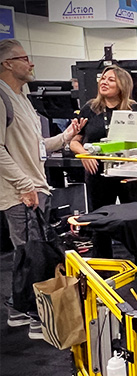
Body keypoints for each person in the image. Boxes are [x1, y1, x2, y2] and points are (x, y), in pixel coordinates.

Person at [0, 39, 87, 338]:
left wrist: (66, 136)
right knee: (34, 254)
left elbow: (36, 147)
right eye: (24, 58)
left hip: (35, 188)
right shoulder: (1, 98)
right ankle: (38, 315)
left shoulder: (22, 99)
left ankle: (19, 309)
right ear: (7, 63)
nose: (31, 63)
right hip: (20, 192)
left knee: (28, 253)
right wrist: (24, 185)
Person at [68, 66, 137, 286]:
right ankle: (103, 271)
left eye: (110, 79)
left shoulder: (133, 109)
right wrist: (84, 154)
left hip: (128, 173)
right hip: (98, 174)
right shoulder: (90, 108)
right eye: (103, 78)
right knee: (101, 222)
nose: (104, 82)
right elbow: (74, 141)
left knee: (135, 220)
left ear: (122, 84)